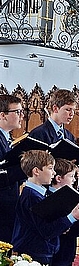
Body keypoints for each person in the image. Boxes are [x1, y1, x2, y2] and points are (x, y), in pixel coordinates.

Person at [0, 94, 26, 243]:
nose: (21, 116)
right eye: (17, 112)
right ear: (3, 115)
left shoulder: (6, 138)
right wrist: (25, 167)